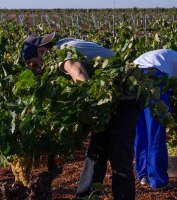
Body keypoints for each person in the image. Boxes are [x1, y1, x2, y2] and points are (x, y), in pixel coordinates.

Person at [20, 32, 143, 200]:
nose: (37, 70)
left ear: (41, 52)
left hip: (125, 98)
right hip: (109, 99)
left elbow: (78, 72)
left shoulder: (60, 56)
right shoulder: (63, 45)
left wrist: (83, 111)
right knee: (96, 151)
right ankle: (85, 197)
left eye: (35, 64)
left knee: (119, 156)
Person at [133, 49, 177, 190]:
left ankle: (143, 174)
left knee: (141, 128)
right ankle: (158, 181)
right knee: (156, 129)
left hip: (133, 74)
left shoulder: (170, 55)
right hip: (155, 75)